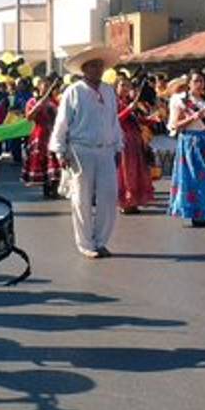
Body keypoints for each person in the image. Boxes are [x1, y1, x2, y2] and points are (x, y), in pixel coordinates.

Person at [50, 47, 125, 258]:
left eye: (100, 65)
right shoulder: (74, 91)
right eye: (93, 66)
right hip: (81, 150)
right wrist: (59, 150)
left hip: (106, 149)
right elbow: (62, 122)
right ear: (84, 69)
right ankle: (86, 244)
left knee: (109, 196)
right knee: (81, 198)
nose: (98, 69)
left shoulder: (109, 90)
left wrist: (118, 145)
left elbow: (113, 120)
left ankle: (100, 240)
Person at [167, 71, 205, 226]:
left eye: (201, 81)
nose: (199, 84)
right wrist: (192, 118)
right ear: (189, 83)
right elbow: (174, 125)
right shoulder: (181, 101)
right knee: (194, 179)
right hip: (191, 142)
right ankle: (197, 214)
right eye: (196, 81)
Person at [115, 75, 157, 214]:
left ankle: (134, 201)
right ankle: (125, 202)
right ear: (116, 87)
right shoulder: (114, 102)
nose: (125, 89)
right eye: (122, 85)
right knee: (126, 172)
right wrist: (128, 109)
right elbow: (115, 120)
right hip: (123, 140)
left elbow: (138, 120)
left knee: (136, 171)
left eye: (127, 86)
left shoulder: (129, 101)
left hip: (135, 140)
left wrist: (150, 120)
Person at [21, 77, 62, 198]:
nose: (47, 89)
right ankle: (46, 188)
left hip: (53, 134)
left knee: (55, 162)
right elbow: (28, 117)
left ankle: (54, 189)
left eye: (49, 86)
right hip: (39, 134)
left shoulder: (54, 102)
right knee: (42, 162)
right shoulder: (32, 102)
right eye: (45, 86)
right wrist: (40, 104)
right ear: (39, 88)